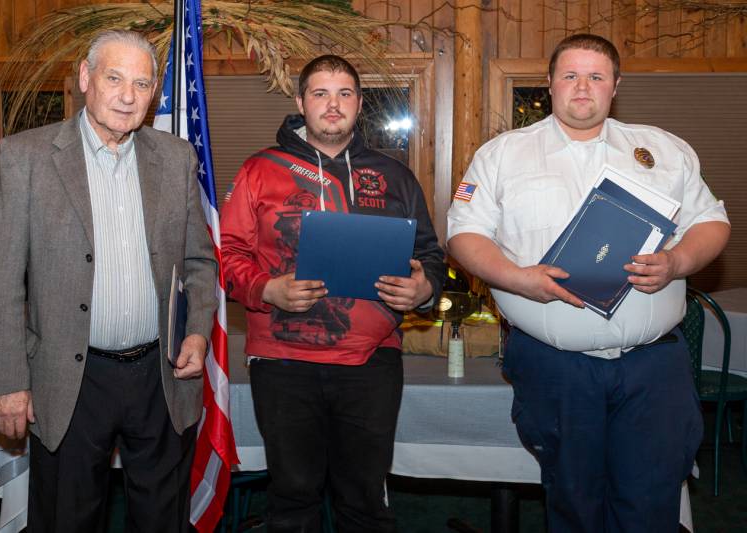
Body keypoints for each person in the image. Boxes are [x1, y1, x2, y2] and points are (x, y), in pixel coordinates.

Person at [447, 34, 730, 533]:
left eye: (596, 76)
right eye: (571, 75)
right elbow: (465, 235)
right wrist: (518, 279)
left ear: (615, 86)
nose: (583, 87)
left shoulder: (663, 149)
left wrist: (678, 260)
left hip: (652, 367)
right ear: (550, 84)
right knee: (574, 502)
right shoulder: (502, 155)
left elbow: (712, 223)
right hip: (555, 369)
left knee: (651, 500)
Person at [0, 30, 217, 533]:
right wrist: (8, 383)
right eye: (114, 78)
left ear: (154, 93)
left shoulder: (176, 159)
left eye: (142, 83)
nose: (128, 96)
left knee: (161, 520)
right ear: (86, 78)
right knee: (67, 518)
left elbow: (199, 263)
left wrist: (196, 331)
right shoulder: (26, 157)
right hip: (70, 380)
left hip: (161, 375)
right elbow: (0, 280)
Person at [220, 54, 445, 532]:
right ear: (301, 102)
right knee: (293, 498)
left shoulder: (395, 175)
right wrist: (267, 289)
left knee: (364, 503)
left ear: (359, 104)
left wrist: (423, 288)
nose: (333, 105)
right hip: (283, 362)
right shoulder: (260, 170)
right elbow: (226, 252)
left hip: (371, 362)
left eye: (345, 94)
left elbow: (430, 255)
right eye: (320, 93)